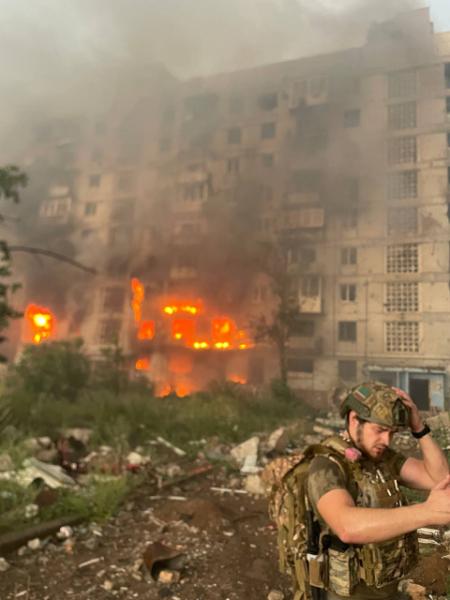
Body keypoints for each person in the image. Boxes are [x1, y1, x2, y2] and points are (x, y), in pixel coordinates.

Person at [307, 381, 450, 600]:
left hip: (386, 587)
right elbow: (346, 526)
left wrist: (419, 428)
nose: (386, 440)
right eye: (380, 430)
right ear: (354, 420)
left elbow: (438, 478)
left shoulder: (381, 458)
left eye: (391, 433)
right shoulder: (326, 464)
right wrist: (427, 512)